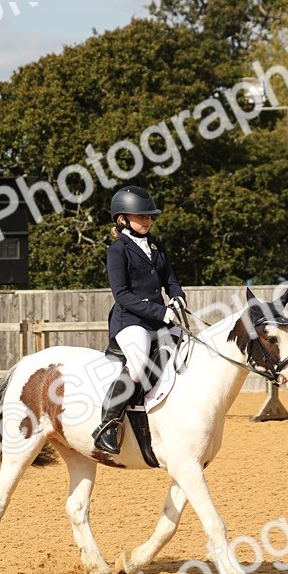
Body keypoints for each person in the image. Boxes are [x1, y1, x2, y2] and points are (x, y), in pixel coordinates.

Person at [91, 184, 187, 454]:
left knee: (188, 350)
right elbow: (122, 295)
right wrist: (160, 311)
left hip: (160, 318)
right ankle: (108, 423)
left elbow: (171, 281)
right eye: (141, 216)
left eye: (149, 216)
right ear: (123, 219)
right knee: (138, 365)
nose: (147, 220)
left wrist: (177, 297)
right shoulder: (117, 251)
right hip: (131, 321)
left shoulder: (157, 246)